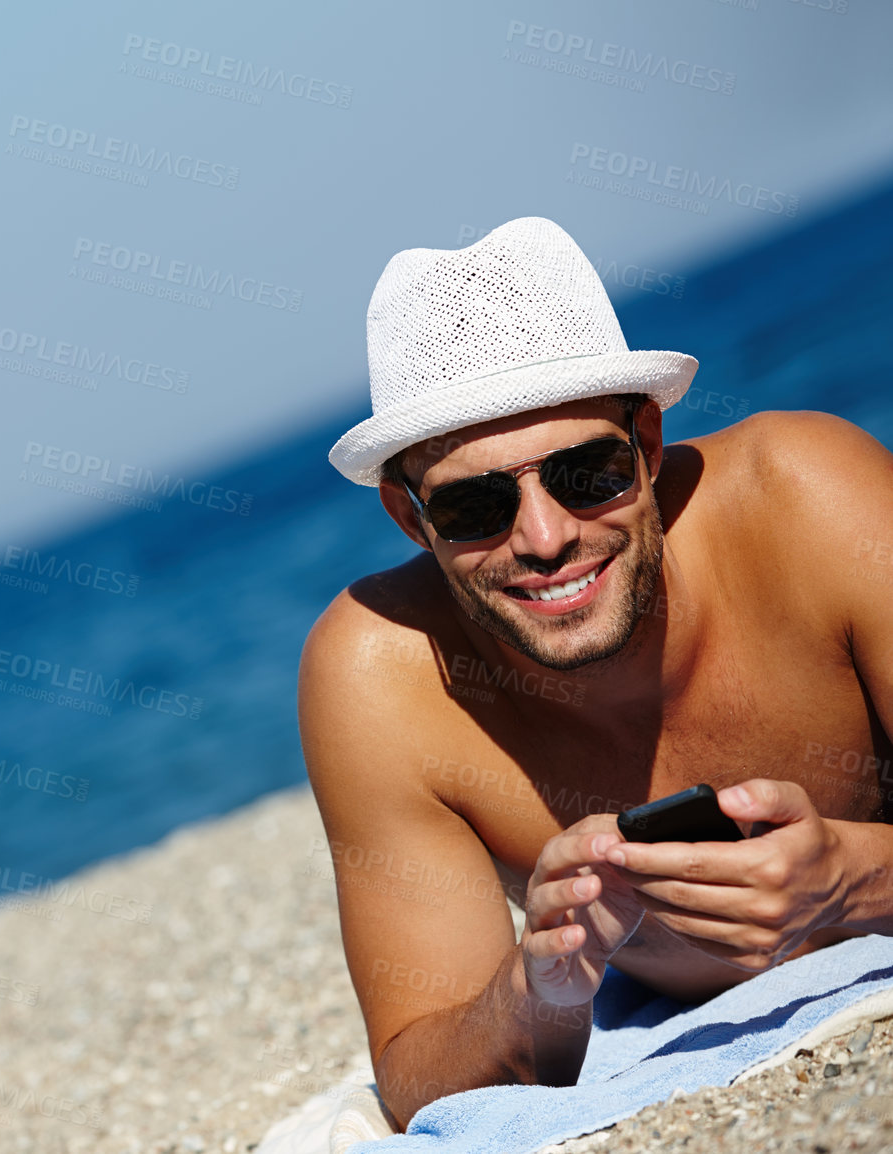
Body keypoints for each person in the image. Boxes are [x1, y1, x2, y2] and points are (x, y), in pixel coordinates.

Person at [299, 217, 893, 1132]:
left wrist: (853, 877)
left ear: (648, 448)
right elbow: (417, 1079)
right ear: (411, 520)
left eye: (586, 474)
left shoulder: (809, 499)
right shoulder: (380, 673)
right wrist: (538, 990)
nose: (544, 539)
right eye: (476, 504)